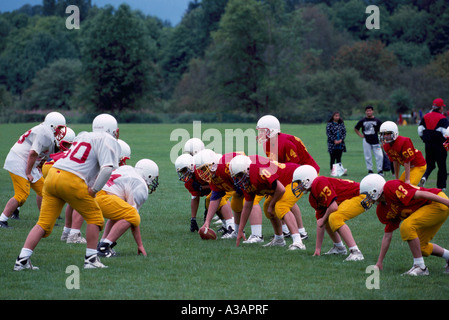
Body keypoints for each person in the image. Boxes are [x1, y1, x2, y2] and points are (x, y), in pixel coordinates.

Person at [13, 113, 121, 271]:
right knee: (96, 218)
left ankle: (22, 260)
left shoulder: (84, 135)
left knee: (43, 223)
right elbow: (106, 170)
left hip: (53, 175)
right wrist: (94, 190)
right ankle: (91, 260)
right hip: (71, 179)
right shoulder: (107, 139)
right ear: (114, 131)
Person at [360, 174, 449, 276]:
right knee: (420, 247)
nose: (367, 198)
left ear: (376, 190)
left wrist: (447, 202)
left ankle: (420, 267)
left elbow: (421, 194)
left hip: (436, 202)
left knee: (407, 226)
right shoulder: (382, 210)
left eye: (368, 194)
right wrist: (379, 262)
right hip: (430, 209)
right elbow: (387, 235)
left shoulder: (390, 188)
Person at [1, 111, 67, 229]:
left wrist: (36, 170)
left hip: (27, 162)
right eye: (60, 128)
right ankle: (2, 220)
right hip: (19, 160)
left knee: (45, 191)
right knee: (22, 195)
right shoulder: (45, 133)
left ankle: (45, 220)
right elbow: (33, 153)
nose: (61, 132)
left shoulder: (47, 133)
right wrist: (28, 172)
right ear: (52, 126)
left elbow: (40, 157)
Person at [256, 114, 318, 239]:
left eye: (263, 131)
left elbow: (294, 166)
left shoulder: (285, 142)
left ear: (272, 130)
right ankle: (286, 230)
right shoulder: (269, 143)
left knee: (285, 200)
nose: (261, 134)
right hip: (291, 171)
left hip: (305, 172)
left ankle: (301, 232)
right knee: (281, 196)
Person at [229, 154, 306, 251]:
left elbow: (281, 189)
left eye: (240, 175)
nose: (239, 179)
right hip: (284, 183)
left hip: (296, 178)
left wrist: (272, 205)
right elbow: (247, 206)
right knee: (267, 207)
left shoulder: (259, 171)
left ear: (248, 169)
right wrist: (240, 230)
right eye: (236, 177)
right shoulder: (248, 181)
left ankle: (298, 242)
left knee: (281, 206)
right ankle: (279, 240)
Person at [291, 165, 364, 261]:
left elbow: (333, 207)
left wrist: (323, 220)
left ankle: (356, 252)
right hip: (353, 197)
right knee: (327, 218)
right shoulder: (312, 198)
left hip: (362, 195)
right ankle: (339, 247)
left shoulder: (319, 182)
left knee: (335, 217)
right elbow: (320, 223)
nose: (298, 186)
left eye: (299, 182)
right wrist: (317, 249)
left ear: (307, 180)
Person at [195, 150, 264, 242]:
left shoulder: (225, 166)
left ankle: (257, 235)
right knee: (236, 202)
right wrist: (207, 221)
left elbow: (243, 163)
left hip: (256, 176)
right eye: (202, 169)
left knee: (251, 201)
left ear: (213, 163)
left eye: (204, 168)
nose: (203, 172)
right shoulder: (214, 177)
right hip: (244, 182)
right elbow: (215, 198)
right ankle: (238, 232)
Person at [96, 159, 159, 257]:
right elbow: (133, 218)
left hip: (96, 194)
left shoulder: (128, 169)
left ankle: (103, 244)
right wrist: (140, 245)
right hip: (102, 198)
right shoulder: (140, 184)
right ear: (149, 175)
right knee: (132, 215)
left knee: (121, 214)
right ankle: (104, 246)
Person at [175, 153, 232, 233]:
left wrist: (203, 188)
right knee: (210, 201)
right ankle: (226, 225)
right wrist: (193, 218)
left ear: (191, 166)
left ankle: (231, 226)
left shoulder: (200, 171)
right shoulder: (189, 181)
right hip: (218, 187)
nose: (184, 174)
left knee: (219, 199)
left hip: (226, 183)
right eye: (182, 172)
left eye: (184, 170)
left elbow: (216, 183)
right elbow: (195, 197)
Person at [380, 121, 426, 186]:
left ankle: (422, 192)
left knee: (407, 187)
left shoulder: (404, 141)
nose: (385, 136)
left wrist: (407, 180)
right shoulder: (386, 145)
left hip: (418, 165)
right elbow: (395, 161)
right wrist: (396, 178)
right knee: (398, 186)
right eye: (384, 134)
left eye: (388, 134)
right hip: (410, 167)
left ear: (395, 133)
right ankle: (420, 186)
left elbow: (407, 161)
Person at [418, 98, 449, 190]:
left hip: (428, 145)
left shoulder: (426, 116)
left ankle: (424, 177)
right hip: (440, 145)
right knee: (442, 166)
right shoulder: (443, 118)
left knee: (430, 165)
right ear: (440, 108)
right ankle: (441, 186)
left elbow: (420, 130)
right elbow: (446, 133)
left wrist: (424, 139)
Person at [354, 105, 383, 175]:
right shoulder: (362, 121)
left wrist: (382, 141)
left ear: (372, 111)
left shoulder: (377, 121)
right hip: (366, 140)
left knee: (380, 155)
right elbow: (356, 128)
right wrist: (361, 135)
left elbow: (381, 131)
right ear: (365, 112)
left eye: (370, 111)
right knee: (368, 156)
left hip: (375, 140)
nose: (369, 112)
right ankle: (370, 170)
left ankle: (380, 170)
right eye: (367, 111)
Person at [326, 112, 347, 177]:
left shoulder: (341, 124)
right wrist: (334, 140)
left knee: (339, 158)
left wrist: (341, 140)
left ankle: (339, 171)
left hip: (340, 144)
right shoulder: (329, 124)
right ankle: (332, 171)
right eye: (336, 116)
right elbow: (328, 134)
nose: (337, 117)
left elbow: (344, 132)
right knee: (332, 158)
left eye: (338, 116)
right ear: (333, 117)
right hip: (332, 144)